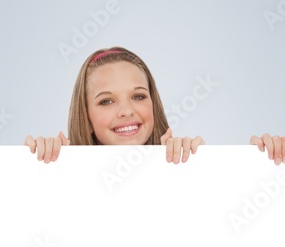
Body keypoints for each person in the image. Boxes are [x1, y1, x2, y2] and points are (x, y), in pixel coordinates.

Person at [25, 47, 204, 164]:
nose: (126, 111)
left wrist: (200, 161)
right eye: (107, 101)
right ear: (86, 118)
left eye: (138, 96)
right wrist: (37, 160)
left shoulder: (180, 163)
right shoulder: (63, 169)